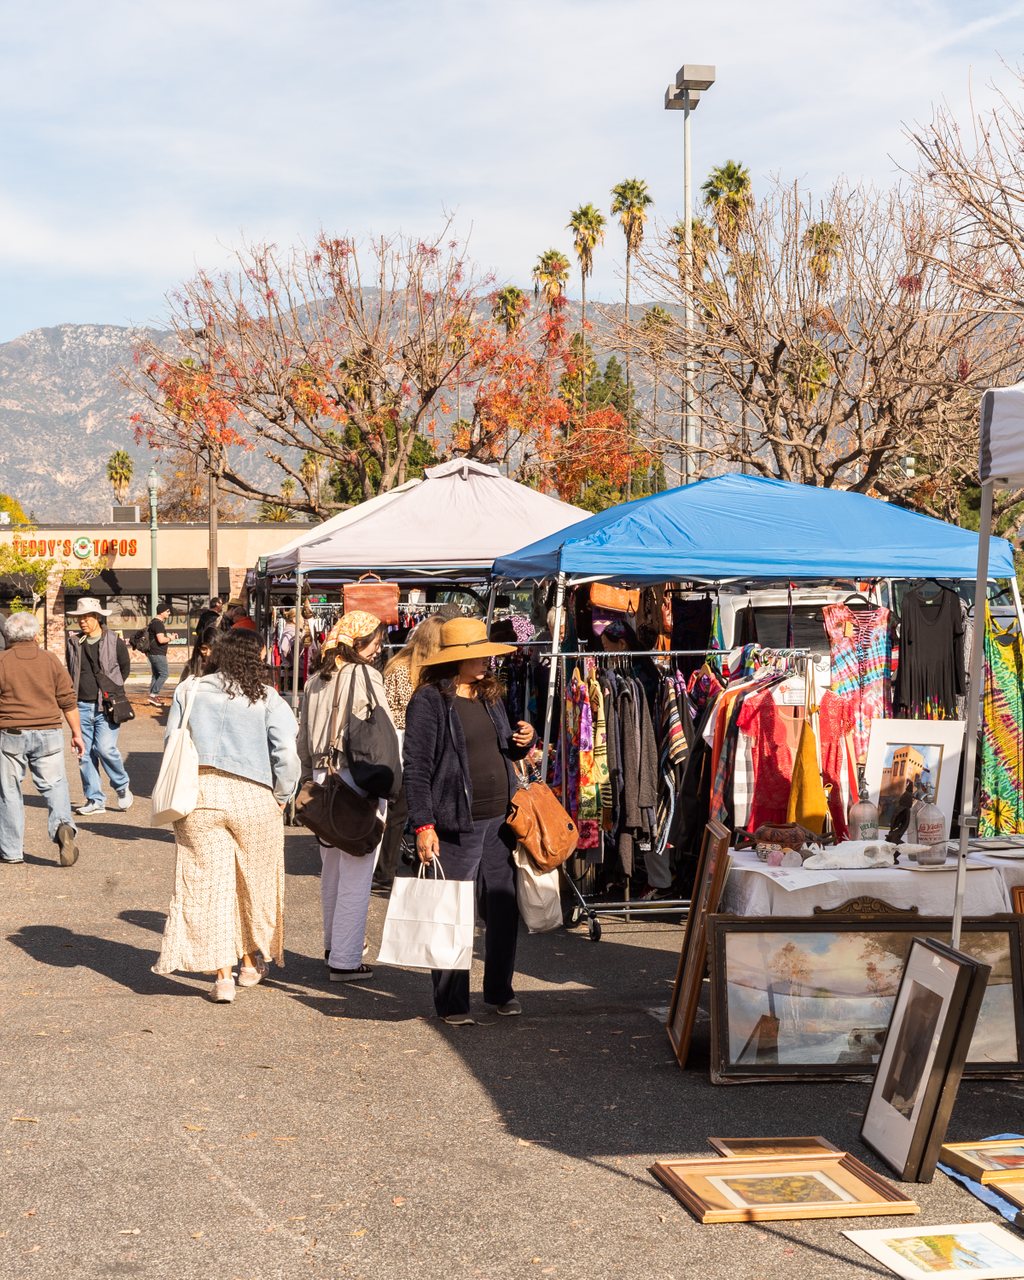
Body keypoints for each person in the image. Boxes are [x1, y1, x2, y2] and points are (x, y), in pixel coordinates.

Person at [154, 629, 300, 1003]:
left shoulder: (189, 689)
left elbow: (172, 742)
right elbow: (286, 752)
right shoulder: (267, 697)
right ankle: (251, 963)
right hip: (253, 794)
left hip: (199, 792)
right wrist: (283, 795)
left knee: (208, 885)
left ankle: (222, 977)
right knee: (254, 882)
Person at [403, 617, 536, 1026]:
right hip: (454, 824)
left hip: (499, 822)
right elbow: (417, 768)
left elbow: (503, 752)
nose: (484, 661)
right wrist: (423, 824)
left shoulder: (489, 695)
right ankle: (452, 1003)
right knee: (452, 914)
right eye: (475, 656)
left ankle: (499, 991)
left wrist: (523, 742)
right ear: (454, 660)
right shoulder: (429, 700)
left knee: (501, 909)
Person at [297, 611, 396, 982]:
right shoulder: (365, 676)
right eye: (374, 642)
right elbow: (380, 733)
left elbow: (303, 739)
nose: (378, 648)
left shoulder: (313, 682)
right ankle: (345, 958)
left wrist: (310, 777)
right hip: (356, 779)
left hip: (324, 780)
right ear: (357, 643)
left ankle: (332, 945)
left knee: (333, 871)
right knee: (357, 872)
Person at [0, 612, 84, 866]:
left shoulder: (2, 661)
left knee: (9, 792)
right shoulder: (50, 660)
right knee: (55, 785)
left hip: (11, 734)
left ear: (7, 636)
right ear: (36, 635)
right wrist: (77, 734)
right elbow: (68, 700)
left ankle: (12, 850)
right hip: (49, 732)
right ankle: (63, 827)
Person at [375, 615, 447, 889]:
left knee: (402, 810)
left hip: (406, 742)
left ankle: (394, 867)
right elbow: (394, 713)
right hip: (405, 743)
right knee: (401, 809)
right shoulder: (409, 671)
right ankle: (386, 869)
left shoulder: (401, 667)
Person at [65, 597, 134, 816]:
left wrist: (111, 691)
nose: (82, 622)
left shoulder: (114, 641)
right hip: (81, 706)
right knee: (84, 754)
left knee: (104, 749)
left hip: (107, 706)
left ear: (97, 618)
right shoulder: (74, 642)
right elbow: (71, 669)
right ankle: (95, 799)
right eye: (80, 618)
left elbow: (124, 669)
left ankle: (121, 786)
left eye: (86, 617)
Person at [146, 601, 173, 706]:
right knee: (164, 674)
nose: (169, 613)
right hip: (158, 653)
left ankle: (153, 697)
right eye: (167, 611)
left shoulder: (153, 622)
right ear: (161, 612)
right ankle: (153, 695)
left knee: (156, 675)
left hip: (152, 652)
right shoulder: (158, 624)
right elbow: (161, 640)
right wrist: (171, 637)